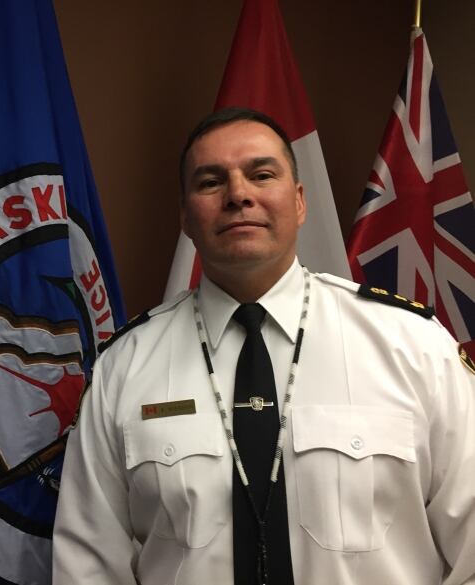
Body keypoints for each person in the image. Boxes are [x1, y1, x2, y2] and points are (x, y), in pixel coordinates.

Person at [52, 107, 475, 585]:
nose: (238, 195)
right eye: (211, 182)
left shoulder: (411, 346)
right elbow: (87, 568)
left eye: (261, 174)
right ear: (186, 217)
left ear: (298, 201)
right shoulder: (124, 368)